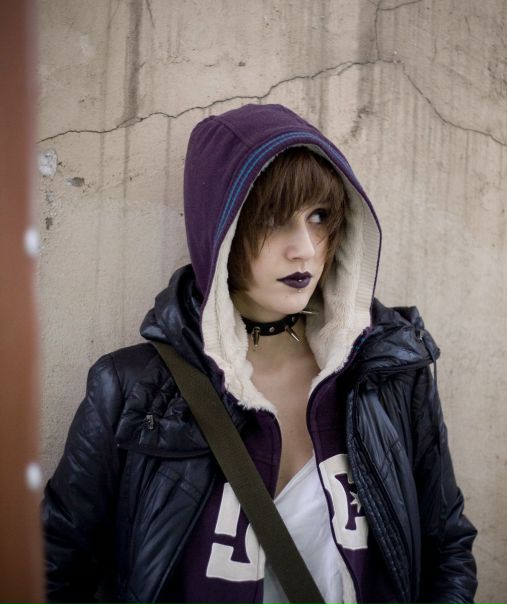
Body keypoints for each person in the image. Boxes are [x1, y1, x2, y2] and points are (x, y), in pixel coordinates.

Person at [42, 103, 477, 604]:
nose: (305, 248)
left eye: (319, 216)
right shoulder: (132, 390)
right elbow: (53, 569)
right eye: (272, 218)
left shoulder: (390, 370)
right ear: (220, 229)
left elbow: (446, 547)